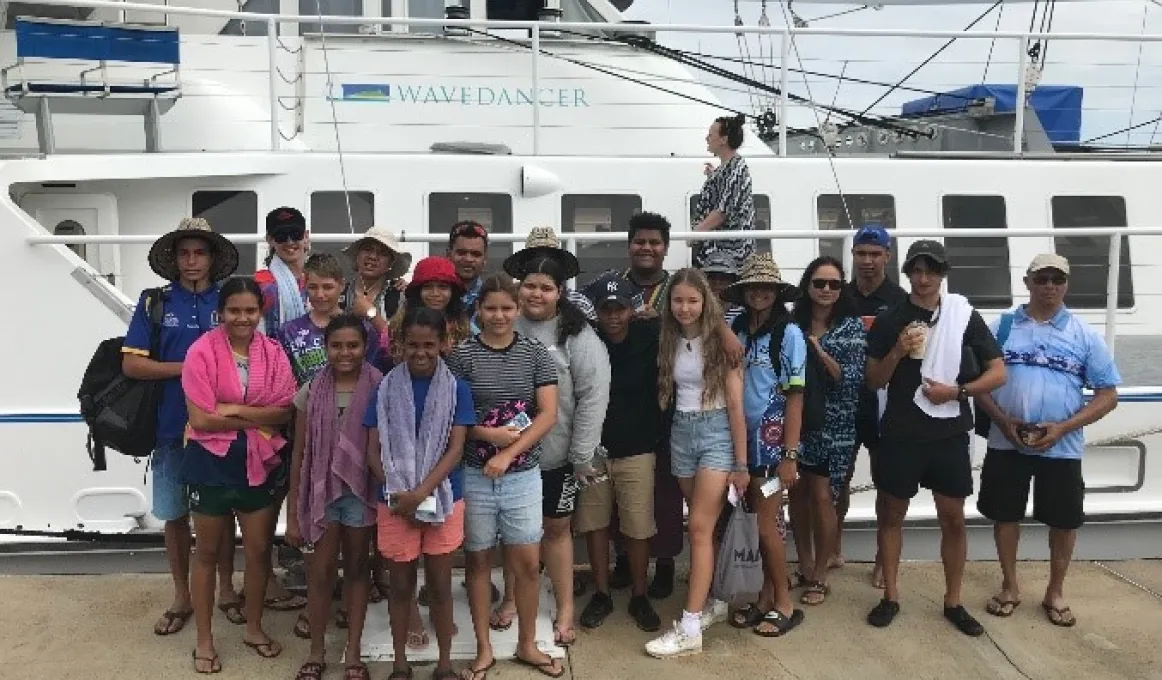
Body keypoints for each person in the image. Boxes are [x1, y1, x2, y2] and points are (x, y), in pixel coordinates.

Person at [864, 240, 1006, 636]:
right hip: (901, 432)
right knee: (891, 515)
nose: (924, 278)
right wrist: (897, 350)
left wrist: (957, 393)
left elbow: (998, 372)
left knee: (954, 519)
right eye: (917, 270)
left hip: (949, 431)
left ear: (943, 274)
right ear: (907, 273)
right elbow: (874, 379)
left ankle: (954, 601)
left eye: (932, 270)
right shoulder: (891, 317)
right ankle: (890, 596)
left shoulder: (963, 315)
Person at [976, 254, 1120, 628]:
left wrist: (1064, 427)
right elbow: (977, 383)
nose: (1050, 286)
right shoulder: (1002, 328)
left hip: (1062, 446)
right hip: (1006, 441)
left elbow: (1108, 393)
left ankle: (1055, 591)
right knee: (1005, 515)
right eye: (1042, 279)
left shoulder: (1084, 335)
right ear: (1027, 282)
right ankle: (1009, 587)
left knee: (1063, 520)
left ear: (1066, 284)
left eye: (1057, 279)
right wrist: (1002, 421)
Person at [123, 217, 242, 637]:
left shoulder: (229, 300)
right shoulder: (154, 301)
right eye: (184, 252)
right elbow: (132, 363)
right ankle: (181, 595)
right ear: (174, 259)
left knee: (220, 512)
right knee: (174, 516)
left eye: (200, 252)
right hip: (170, 427)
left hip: (221, 426)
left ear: (212, 258)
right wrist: (190, 368)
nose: (192, 260)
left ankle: (227, 590)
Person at [492, 227, 610, 647]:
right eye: (529, 286)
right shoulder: (504, 325)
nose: (535, 294)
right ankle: (511, 597)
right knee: (513, 533)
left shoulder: (577, 335)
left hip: (558, 456)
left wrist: (581, 454)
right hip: (509, 455)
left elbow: (594, 397)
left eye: (545, 287)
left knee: (557, 530)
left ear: (560, 292)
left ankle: (563, 607)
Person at [445, 275, 564, 679]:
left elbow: (548, 413)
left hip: (523, 476)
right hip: (476, 474)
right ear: (479, 309)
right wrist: (486, 435)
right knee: (478, 563)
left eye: (506, 308)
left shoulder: (535, 353)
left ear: (517, 310)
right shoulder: (461, 356)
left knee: (528, 564)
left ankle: (527, 644)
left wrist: (510, 451)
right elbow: (453, 415)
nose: (499, 316)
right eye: (491, 308)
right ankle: (483, 649)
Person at [181, 276, 298, 673]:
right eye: (234, 310)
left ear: (260, 312)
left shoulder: (274, 353)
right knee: (208, 554)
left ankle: (253, 627)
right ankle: (203, 640)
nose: (242, 318)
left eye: (250, 310)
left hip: (259, 464)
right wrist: (251, 416)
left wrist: (228, 410)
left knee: (259, 550)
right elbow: (200, 419)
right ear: (221, 312)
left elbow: (285, 412)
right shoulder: (200, 352)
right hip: (209, 464)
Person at [367, 307, 476, 680]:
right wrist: (400, 495)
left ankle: (444, 664)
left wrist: (420, 494)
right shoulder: (385, 387)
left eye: (429, 344)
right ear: (399, 345)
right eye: (412, 344)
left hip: (444, 497)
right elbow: (372, 449)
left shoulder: (456, 388)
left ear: (443, 344)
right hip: (394, 500)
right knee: (400, 587)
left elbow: (456, 449)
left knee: (442, 586)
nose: (421, 352)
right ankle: (400, 664)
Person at [645, 269, 748, 659]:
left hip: (717, 430)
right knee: (704, 525)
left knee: (700, 527)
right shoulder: (667, 336)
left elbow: (736, 404)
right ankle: (715, 598)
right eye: (678, 300)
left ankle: (689, 626)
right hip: (682, 434)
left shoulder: (722, 344)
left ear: (706, 303)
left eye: (693, 300)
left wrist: (741, 463)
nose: (685, 307)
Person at [286, 315, 381, 680]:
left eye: (353, 345)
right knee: (320, 573)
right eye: (336, 345)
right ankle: (316, 652)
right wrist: (294, 513)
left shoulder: (379, 386)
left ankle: (353, 653)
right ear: (326, 348)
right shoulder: (311, 390)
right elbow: (299, 454)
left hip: (361, 493)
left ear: (365, 346)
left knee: (358, 569)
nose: (345, 353)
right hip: (320, 494)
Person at [722, 253, 804, 637]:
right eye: (753, 286)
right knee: (758, 526)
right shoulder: (737, 328)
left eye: (766, 287)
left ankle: (785, 602)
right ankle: (764, 598)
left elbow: (796, 397)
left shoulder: (788, 333)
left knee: (768, 527)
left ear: (776, 292)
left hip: (771, 448)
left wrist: (790, 455)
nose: (759, 293)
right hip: (740, 444)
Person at [576, 274, 663, 632]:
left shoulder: (650, 335)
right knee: (595, 525)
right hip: (593, 450)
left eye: (620, 308)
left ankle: (639, 595)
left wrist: (656, 317)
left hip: (638, 449)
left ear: (633, 309)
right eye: (605, 309)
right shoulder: (586, 339)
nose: (613, 316)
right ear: (595, 312)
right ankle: (601, 592)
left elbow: (690, 321)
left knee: (638, 528)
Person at [789, 256, 866, 606]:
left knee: (824, 497)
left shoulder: (850, 328)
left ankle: (821, 573)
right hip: (798, 421)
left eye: (834, 284)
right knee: (797, 495)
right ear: (808, 286)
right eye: (819, 283)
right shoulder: (793, 322)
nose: (826, 290)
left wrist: (817, 350)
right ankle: (804, 565)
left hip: (835, 423)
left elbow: (850, 380)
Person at [838, 223, 907, 583]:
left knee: (886, 485)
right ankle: (833, 551)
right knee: (839, 482)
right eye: (861, 253)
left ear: (887, 257)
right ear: (853, 255)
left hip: (884, 404)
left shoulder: (900, 300)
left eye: (875, 254)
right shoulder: (839, 295)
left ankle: (883, 557)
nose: (867, 261)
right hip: (845, 402)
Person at [279, 253, 387, 385]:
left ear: (341, 285)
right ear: (304, 286)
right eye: (313, 287)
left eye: (327, 287)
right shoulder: (288, 332)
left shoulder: (362, 328)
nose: (320, 294)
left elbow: (375, 374)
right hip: (305, 403)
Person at [690, 114, 756, 271]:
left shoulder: (737, 168)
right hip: (716, 252)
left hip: (729, 256)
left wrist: (694, 234)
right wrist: (713, 176)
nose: (707, 138)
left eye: (711, 134)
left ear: (723, 140)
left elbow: (723, 211)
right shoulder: (727, 168)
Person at [341, 225, 413, 362]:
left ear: (391, 263)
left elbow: (402, 347)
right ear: (357, 256)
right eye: (368, 249)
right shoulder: (338, 293)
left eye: (382, 253)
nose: (373, 256)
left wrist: (371, 313)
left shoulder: (400, 297)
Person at [255, 207, 310, 338]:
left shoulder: (319, 280)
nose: (290, 242)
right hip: (274, 354)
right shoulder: (261, 285)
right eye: (281, 236)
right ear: (270, 240)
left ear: (306, 236)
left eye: (296, 234)